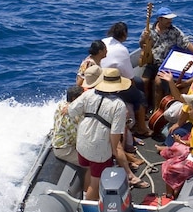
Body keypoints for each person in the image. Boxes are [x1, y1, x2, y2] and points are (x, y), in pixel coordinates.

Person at [67, 64, 141, 199]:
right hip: (99, 147)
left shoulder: (88, 94)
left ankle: (84, 196)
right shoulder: (118, 105)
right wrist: (114, 150)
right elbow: (115, 133)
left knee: (88, 170)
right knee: (96, 182)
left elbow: (71, 111)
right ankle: (88, 208)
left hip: (83, 140)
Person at [139, 8, 193, 107]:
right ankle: (145, 106)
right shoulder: (149, 30)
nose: (170, 21)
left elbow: (185, 43)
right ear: (160, 19)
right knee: (144, 81)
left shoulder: (174, 31)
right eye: (167, 19)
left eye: (170, 19)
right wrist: (143, 39)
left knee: (158, 82)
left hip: (165, 64)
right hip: (151, 62)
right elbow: (142, 45)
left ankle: (157, 109)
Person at [102, 22, 148, 134]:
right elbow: (130, 78)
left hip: (102, 78)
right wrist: (134, 91)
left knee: (141, 82)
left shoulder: (104, 41)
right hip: (113, 83)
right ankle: (142, 128)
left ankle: (142, 114)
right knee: (140, 96)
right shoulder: (122, 50)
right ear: (124, 34)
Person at [52, 85, 83, 167]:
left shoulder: (61, 105)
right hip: (65, 149)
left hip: (60, 141)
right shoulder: (72, 115)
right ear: (74, 99)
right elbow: (78, 137)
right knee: (90, 164)